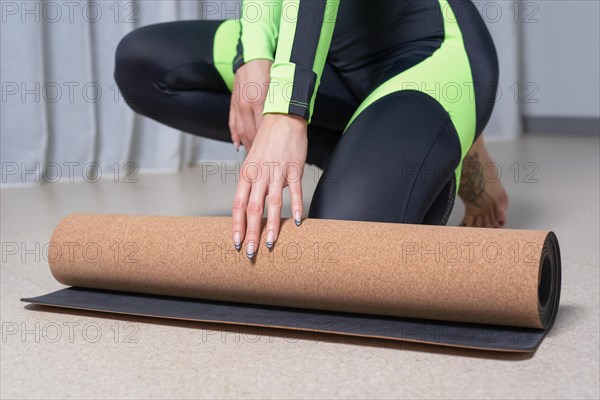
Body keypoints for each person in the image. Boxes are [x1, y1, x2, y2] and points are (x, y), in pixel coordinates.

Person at [114, 0, 508, 259]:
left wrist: (287, 111)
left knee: (345, 246)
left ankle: (451, 148)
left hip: (426, 53)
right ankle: (369, 142)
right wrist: (251, 57)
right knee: (143, 64)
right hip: (321, 52)